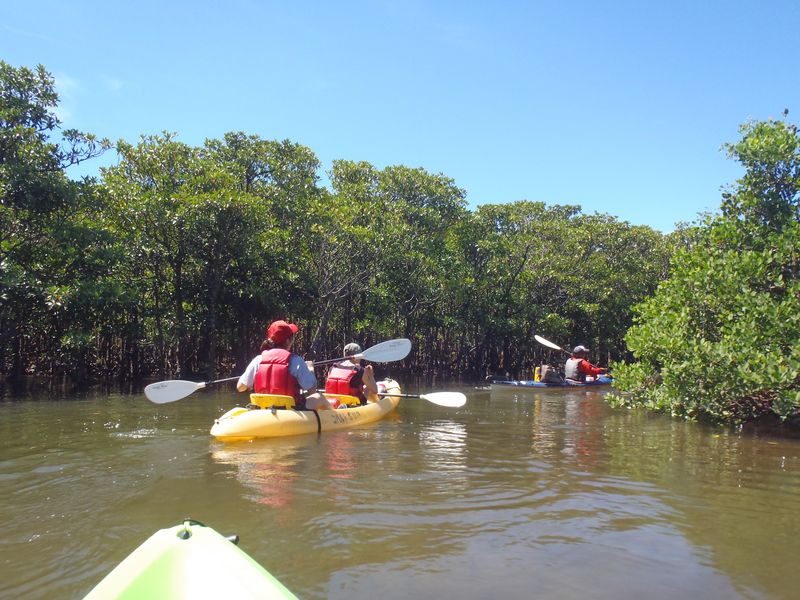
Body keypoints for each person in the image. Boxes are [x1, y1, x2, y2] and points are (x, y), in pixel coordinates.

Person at [237, 320, 333, 410]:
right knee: (319, 397)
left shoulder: (258, 359)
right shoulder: (296, 360)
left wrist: (250, 385)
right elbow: (312, 390)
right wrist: (311, 369)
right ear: (287, 341)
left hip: (263, 408)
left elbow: (240, 387)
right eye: (291, 338)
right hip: (291, 410)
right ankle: (336, 416)